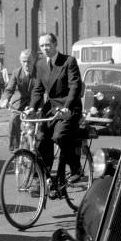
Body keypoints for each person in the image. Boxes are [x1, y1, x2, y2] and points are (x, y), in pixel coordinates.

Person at [25, 32, 83, 186]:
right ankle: (44, 178)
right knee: (41, 139)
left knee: (60, 136)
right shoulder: (40, 64)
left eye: (47, 45)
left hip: (68, 107)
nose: (45, 48)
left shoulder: (68, 61)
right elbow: (38, 89)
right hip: (51, 108)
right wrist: (32, 108)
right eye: (42, 46)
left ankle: (76, 167)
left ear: (55, 44)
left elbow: (75, 86)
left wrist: (67, 107)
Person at [1, 49, 37, 152]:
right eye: (24, 61)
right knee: (13, 120)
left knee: (39, 125)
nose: (26, 64)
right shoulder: (17, 72)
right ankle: (15, 149)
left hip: (35, 102)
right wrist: (5, 100)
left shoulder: (39, 72)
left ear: (33, 61)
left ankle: (38, 148)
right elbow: (9, 89)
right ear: (20, 61)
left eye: (29, 61)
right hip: (20, 103)